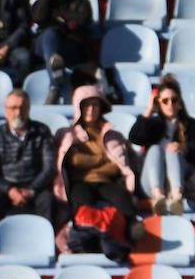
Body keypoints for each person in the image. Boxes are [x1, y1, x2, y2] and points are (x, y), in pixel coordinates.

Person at [53, 85, 140, 238]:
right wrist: (101, 159)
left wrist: (87, 163)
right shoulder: (67, 134)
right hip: (80, 182)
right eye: (86, 105)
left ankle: (132, 229)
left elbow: (116, 167)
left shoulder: (114, 136)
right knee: (82, 201)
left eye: (95, 105)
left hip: (106, 182)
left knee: (122, 196)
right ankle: (87, 234)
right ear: (78, 107)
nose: (91, 109)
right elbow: (73, 161)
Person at [128, 74, 195, 216]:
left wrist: (183, 148)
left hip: (182, 182)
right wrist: (148, 111)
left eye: (174, 100)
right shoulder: (152, 124)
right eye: (165, 101)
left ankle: (177, 197)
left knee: (172, 150)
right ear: (158, 103)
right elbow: (134, 137)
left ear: (180, 103)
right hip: (151, 182)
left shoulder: (193, 125)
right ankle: (158, 197)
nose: (170, 104)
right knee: (155, 149)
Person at [0, 88, 57, 236]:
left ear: (29, 109)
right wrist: (10, 190)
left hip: (36, 187)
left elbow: (49, 168)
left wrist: (31, 190)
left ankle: (46, 245)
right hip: (6, 188)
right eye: (13, 108)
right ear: (5, 111)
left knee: (48, 201)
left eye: (22, 108)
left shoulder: (42, 131)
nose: (18, 112)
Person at [30, 0, 93, 104]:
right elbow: (38, 17)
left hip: (71, 48)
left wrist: (56, 18)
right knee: (50, 34)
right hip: (45, 47)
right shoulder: (43, 1)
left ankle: (54, 87)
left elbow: (82, 21)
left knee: (52, 33)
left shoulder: (81, 2)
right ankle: (55, 68)